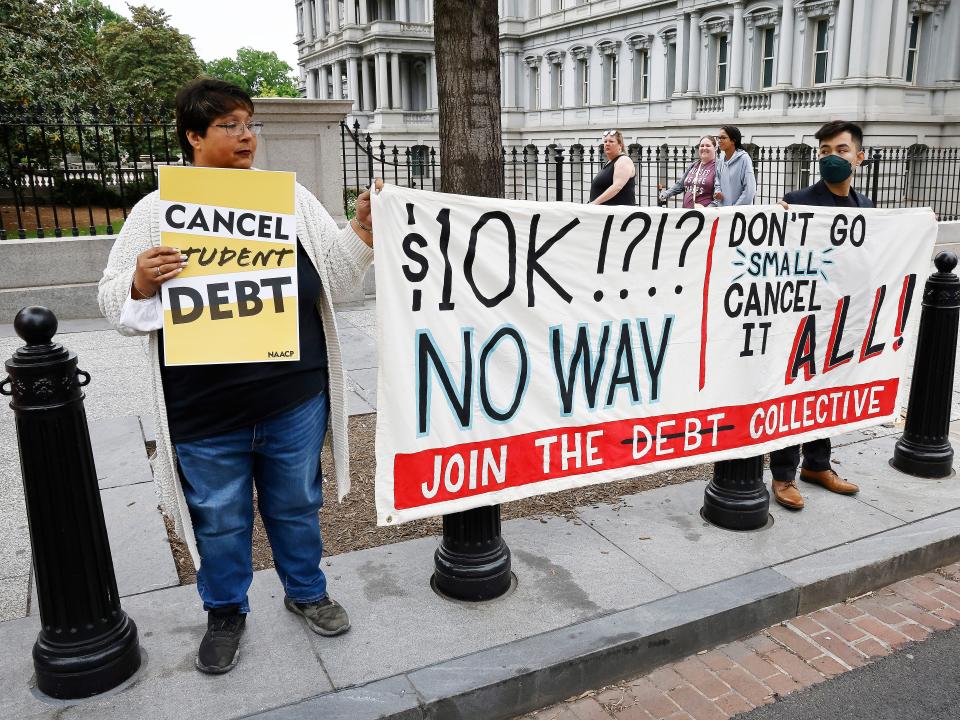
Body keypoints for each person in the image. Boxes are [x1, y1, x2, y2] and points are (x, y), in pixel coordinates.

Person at [98, 78, 380, 674]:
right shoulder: (156, 213)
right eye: (229, 125)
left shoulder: (290, 200)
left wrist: (362, 231)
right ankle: (225, 611)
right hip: (205, 407)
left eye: (249, 123)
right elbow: (112, 305)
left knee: (297, 504)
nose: (247, 135)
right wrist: (141, 282)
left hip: (292, 396)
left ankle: (306, 590)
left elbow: (339, 276)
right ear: (194, 137)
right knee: (220, 519)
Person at [769, 119, 871, 511]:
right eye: (825, 151)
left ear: (859, 157)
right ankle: (783, 475)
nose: (832, 158)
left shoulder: (867, 209)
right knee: (794, 393)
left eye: (841, 150)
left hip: (840, 320)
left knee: (826, 394)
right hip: (800, 319)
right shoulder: (798, 201)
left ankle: (818, 465)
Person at [659, 135, 720, 208]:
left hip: (705, 216)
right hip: (687, 213)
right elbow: (680, 185)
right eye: (702, 146)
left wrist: (707, 210)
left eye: (708, 145)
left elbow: (718, 196)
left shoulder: (717, 167)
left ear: (715, 148)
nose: (704, 148)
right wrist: (666, 193)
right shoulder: (693, 165)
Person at [589, 129, 636, 206]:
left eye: (611, 141)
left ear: (620, 145)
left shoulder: (623, 160)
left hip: (618, 215)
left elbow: (617, 186)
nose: (607, 144)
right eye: (605, 141)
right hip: (605, 214)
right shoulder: (609, 162)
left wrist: (595, 203)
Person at [714, 125, 756, 206]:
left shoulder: (744, 159)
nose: (719, 140)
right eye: (718, 138)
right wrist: (717, 192)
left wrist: (735, 209)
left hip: (739, 214)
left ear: (733, 140)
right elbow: (717, 182)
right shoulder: (720, 161)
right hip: (723, 212)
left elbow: (749, 189)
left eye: (723, 137)